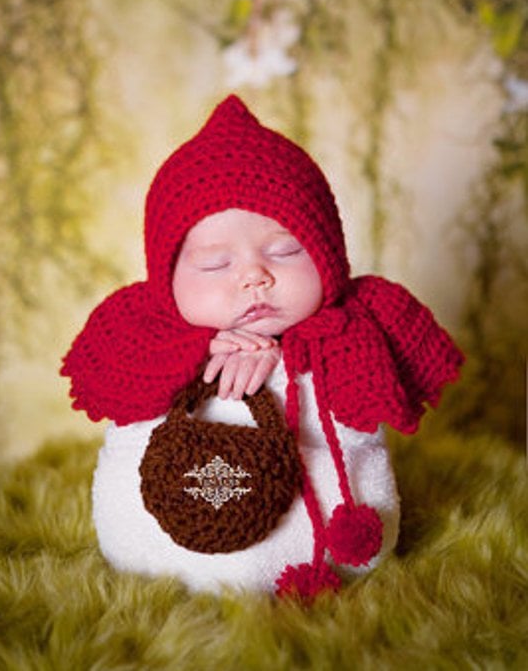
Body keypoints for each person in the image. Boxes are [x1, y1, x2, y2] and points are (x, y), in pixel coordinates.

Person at [61, 95, 463, 598]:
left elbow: (366, 409)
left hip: (329, 558)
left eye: (285, 251)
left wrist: (287, 350)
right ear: (165, 279)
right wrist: (200, 352)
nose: (255, 276)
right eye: (214, 264)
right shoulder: (141, 331)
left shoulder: (357, 328)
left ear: (328, 254)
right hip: (152, 566)